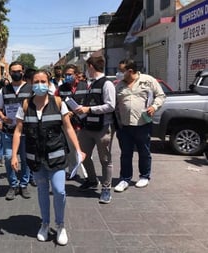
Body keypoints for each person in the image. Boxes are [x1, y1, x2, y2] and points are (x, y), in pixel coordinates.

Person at [11, 70, 85, 246]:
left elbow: (68, 128)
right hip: (35, 158)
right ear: (31, 83)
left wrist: (78, 150)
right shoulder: (26, 105)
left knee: (59, 191)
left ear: (49, 83)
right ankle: (45, 223)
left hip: (57, 155)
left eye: (43, 81)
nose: (40, 84)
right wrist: (14, 155)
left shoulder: (58, 103)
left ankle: (60, 225)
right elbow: (18, 130)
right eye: (36, 81)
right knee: (42, 191)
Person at [114, 59, 166, 192]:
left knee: (144, 152)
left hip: (143, 124)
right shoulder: (119, 86)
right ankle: (125, 179)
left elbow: (160, 95)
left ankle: (144, 176)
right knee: (125, 154)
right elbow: (114, 105)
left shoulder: (148, 80)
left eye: (121, 71)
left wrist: (154, 106)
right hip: (125, 126)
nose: (119, 74)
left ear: (130, 71)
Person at [74, 55, 116, 204]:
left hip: (102, 128)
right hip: (87, 127)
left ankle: (106, 189)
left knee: (105, 159)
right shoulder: (91, 84)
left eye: (87, 67)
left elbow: (110, 106)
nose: (86, 70)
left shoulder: (107, 84)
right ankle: (92, 180)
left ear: (91, 66)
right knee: (83, 155)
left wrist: (88, 109)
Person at [0, 61, 33, 200]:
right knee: (7, 158)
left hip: (26, 131)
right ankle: (13, 184)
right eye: (13, 71)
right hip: (8, 131)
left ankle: (23, 185)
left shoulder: (31, 89)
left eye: (18, 71)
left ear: (23, 72)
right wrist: (3, 118)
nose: (15, 73)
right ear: (9, 73)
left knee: (25, 159)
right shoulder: (4, 90)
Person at [56, 64, 89, 180]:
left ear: (76, 75)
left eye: (70, 74)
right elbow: (56, 103)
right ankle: (72, 171)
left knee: (84, 149)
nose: (67, 76)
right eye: (65, 75)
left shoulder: (85, 86)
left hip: (84, 123)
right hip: (68, 123)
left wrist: (85, 108)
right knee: (70, 149)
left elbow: (91, 102)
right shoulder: (61, 89)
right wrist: (64, 112)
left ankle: (88, 173)